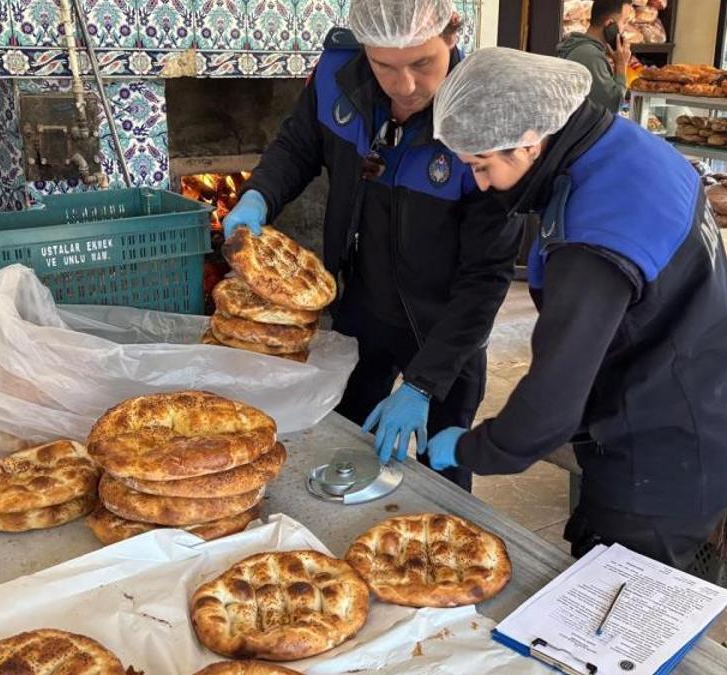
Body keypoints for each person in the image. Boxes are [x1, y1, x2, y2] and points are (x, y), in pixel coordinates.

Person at [419, 48, 727, 570]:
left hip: (661, 462)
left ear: (530, 143)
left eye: (482, 166)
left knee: (621, 620)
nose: (481, 185)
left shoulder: (595, 239)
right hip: (697, 403)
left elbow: (552, 403)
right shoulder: (623, 146)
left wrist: (471, 449)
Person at [221, 0, 519, 491]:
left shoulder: (486, 117)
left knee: (441, 483)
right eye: (384, 66)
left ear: (452, 33)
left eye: (422, 64)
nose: (404, 87)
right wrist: (257, 196)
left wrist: (425, 382)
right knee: (342, 451)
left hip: (445, 328)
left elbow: (487, 275)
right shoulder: (337, 74)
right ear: (365, 49)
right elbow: (298, 147)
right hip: (360, 307)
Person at [557, 0, 633, 113]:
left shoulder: (586, 50)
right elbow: (613, 107)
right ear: (609, 24)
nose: (625, 28)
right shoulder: (590, 55)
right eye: (624, 22)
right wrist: (621, 65)